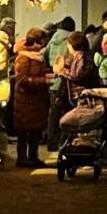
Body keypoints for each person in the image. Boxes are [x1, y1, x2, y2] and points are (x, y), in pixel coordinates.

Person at [12, 28, 51, 168]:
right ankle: (22, 158)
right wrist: (43, 81)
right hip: (25, 101)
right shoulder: (23, 58)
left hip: (37, 102)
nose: (44, 45)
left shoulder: (38, 56)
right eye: (42, 41)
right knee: (24, 133)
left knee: (36, 132)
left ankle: (33, 157)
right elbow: (22, 80)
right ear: (35, 42)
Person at [43, 16, 77, 147]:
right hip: (66, 82)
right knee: (68, 113)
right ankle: (65, 142)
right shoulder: (71, 41)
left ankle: (51, 141)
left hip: (53, 83)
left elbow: (45, 57)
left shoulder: (52, 41)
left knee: (53, 114)